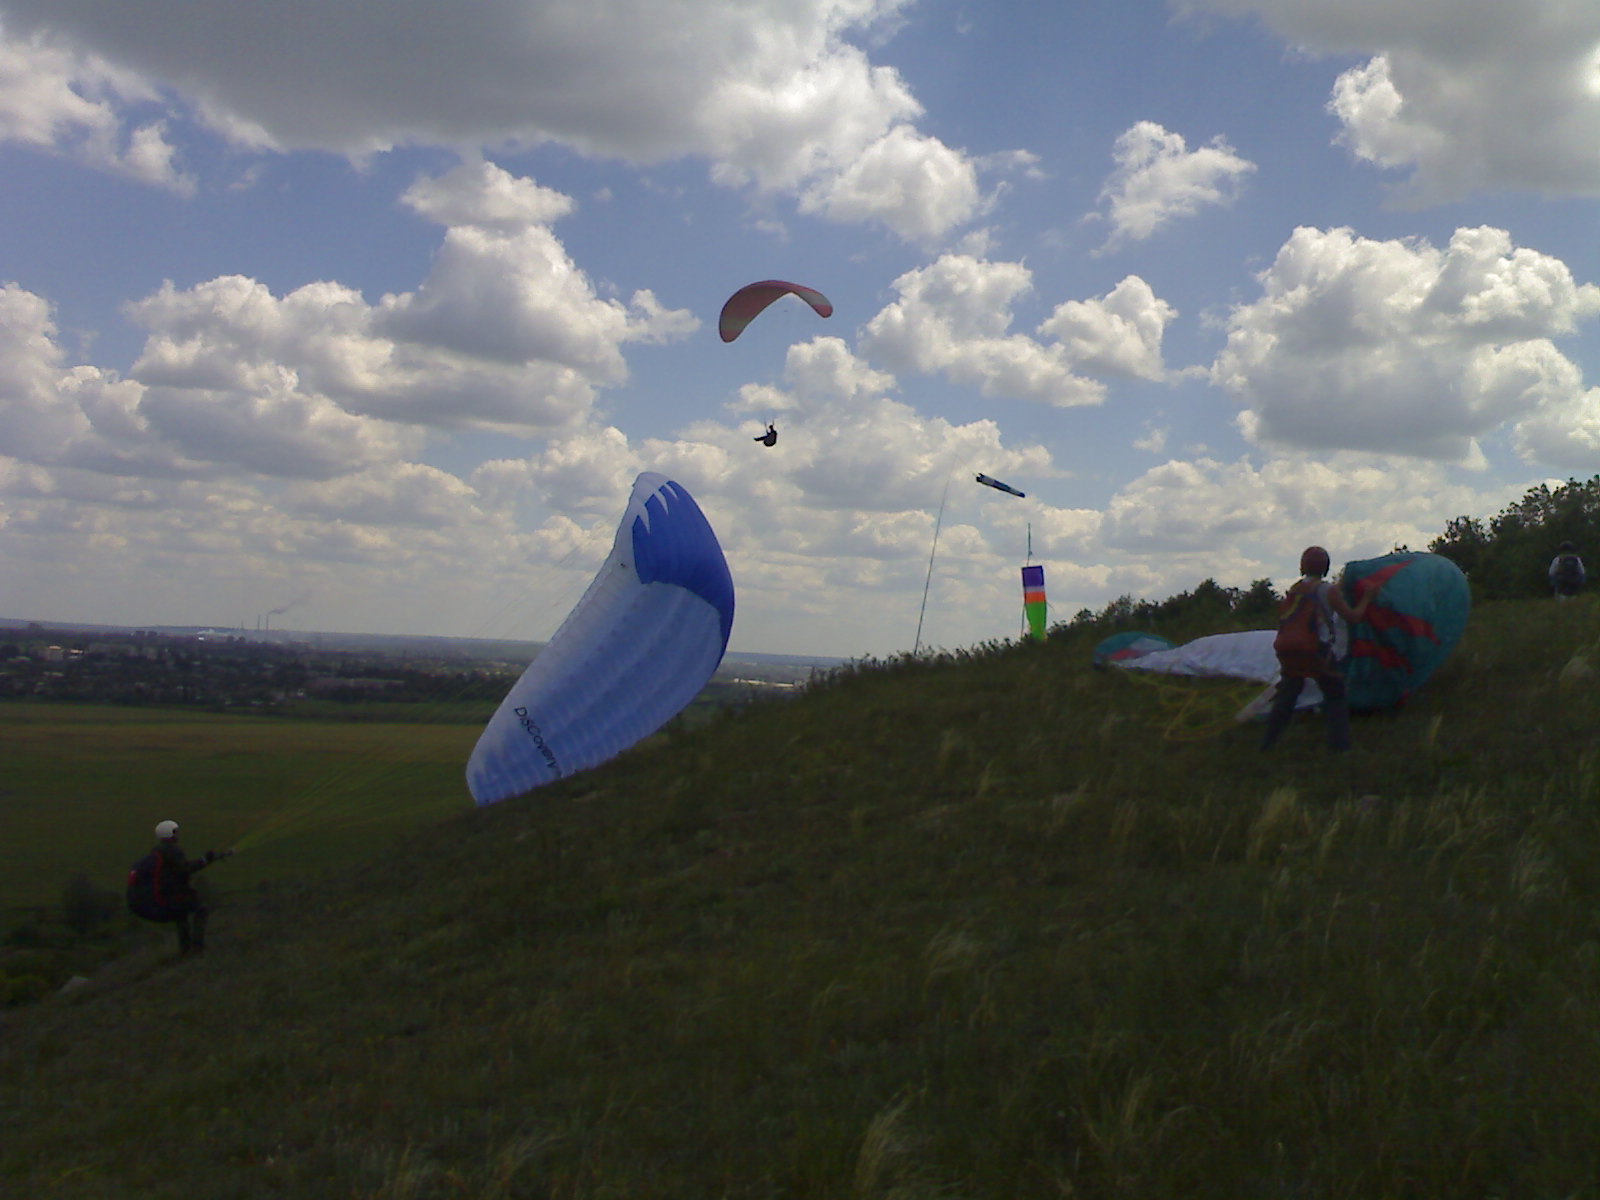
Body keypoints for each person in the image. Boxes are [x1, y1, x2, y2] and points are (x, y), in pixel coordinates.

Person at [1261, 546, 1374, 754]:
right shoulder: (1328, 590)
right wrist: (1367, 597)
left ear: (1302, 566)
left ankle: (1268, 744)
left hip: (1289, 650)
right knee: (1336, 696)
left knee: (1287, 697)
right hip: (1316, 651)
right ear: (1326, 567)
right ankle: (1339, 749)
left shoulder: (1295, 589)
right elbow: (1352, 617)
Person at [127, 820, 232, 956]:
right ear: (171, 834)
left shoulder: (159, 850)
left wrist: (206, 860)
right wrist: (204, 860)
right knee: (201, 910)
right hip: (172, 897)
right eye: (175, 832)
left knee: (181, 917)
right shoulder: (173, 851)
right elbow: (185, 869)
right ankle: (197, 949)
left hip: (166, 897)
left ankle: (185, 951)